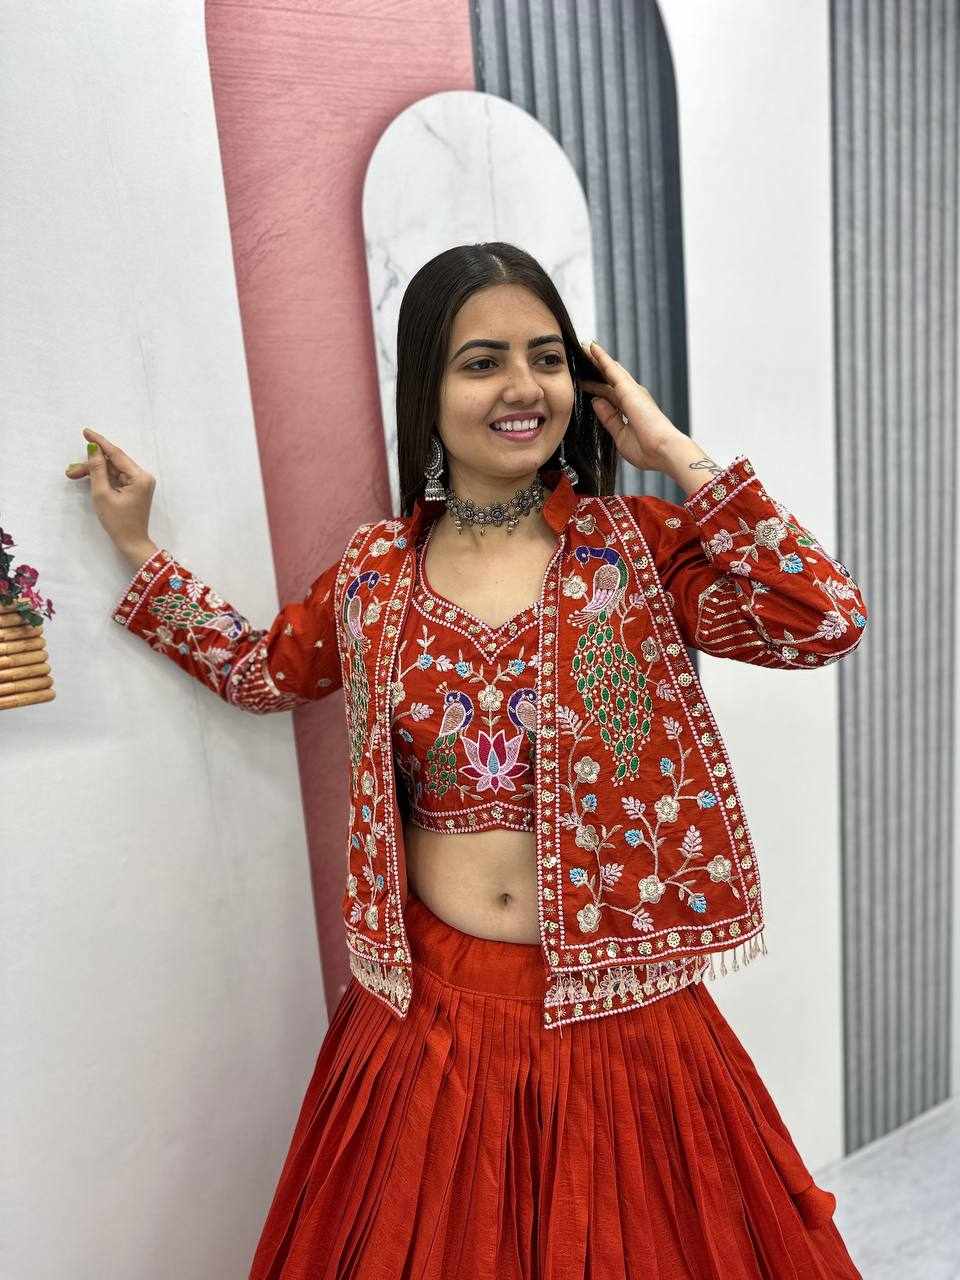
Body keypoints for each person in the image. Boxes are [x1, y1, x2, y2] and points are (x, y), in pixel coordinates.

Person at [67, 242, 866, 1279]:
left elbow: (820, 620)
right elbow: (264, 672)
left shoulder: (637, 547)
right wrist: (138, 549)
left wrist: (672, 447)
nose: (522, 387)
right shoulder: (375, 574)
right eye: (482, 361)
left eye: (546, 358)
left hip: (621, 1013)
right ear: (428, 391)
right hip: (432, 1023)